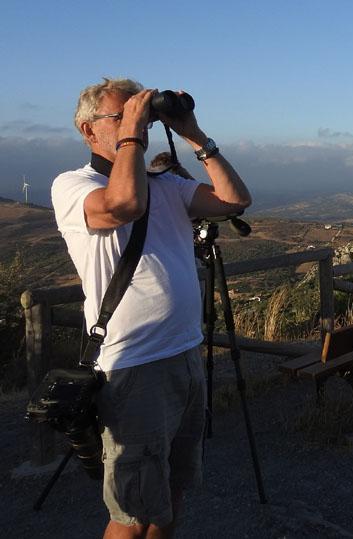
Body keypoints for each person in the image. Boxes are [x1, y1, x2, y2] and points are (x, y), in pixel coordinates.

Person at [51, 78, 251, 538]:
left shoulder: (167, 187)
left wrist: (195, 135)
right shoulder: (74, 185)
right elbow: (123, 204)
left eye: (138, 113)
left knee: (171, 497)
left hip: (185, 356)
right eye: (119, 116)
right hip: (133, 366)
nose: (134, 123)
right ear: (88, 130)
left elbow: (235, 201)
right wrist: (132, 138)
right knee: (133, 512)